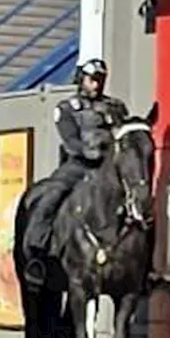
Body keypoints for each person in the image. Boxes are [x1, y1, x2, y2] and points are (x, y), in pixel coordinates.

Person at [21, 57, 125, 287]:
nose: (96, 85)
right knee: (51, 197)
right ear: (81, 79)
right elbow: (70, 140)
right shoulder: (67, 108)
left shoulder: (116, 108)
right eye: (91, 80)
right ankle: (37, 255)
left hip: (108, 169)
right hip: (78, 166)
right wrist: (89, 153)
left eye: (100, 80)